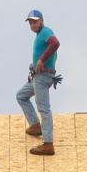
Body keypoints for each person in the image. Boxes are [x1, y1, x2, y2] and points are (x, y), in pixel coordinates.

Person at [16, 9, 60, 156]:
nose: (32, 25)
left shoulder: (46, 32)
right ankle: (35, 126)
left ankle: (48, 144)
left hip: (43, 77)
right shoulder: (40, 35)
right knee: (21, 96)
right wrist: (34, 66)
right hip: (37, 76)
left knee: (44, 108)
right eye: (30, 22)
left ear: (41, 20)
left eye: (35, 21)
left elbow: (55, 43)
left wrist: (41, 60)